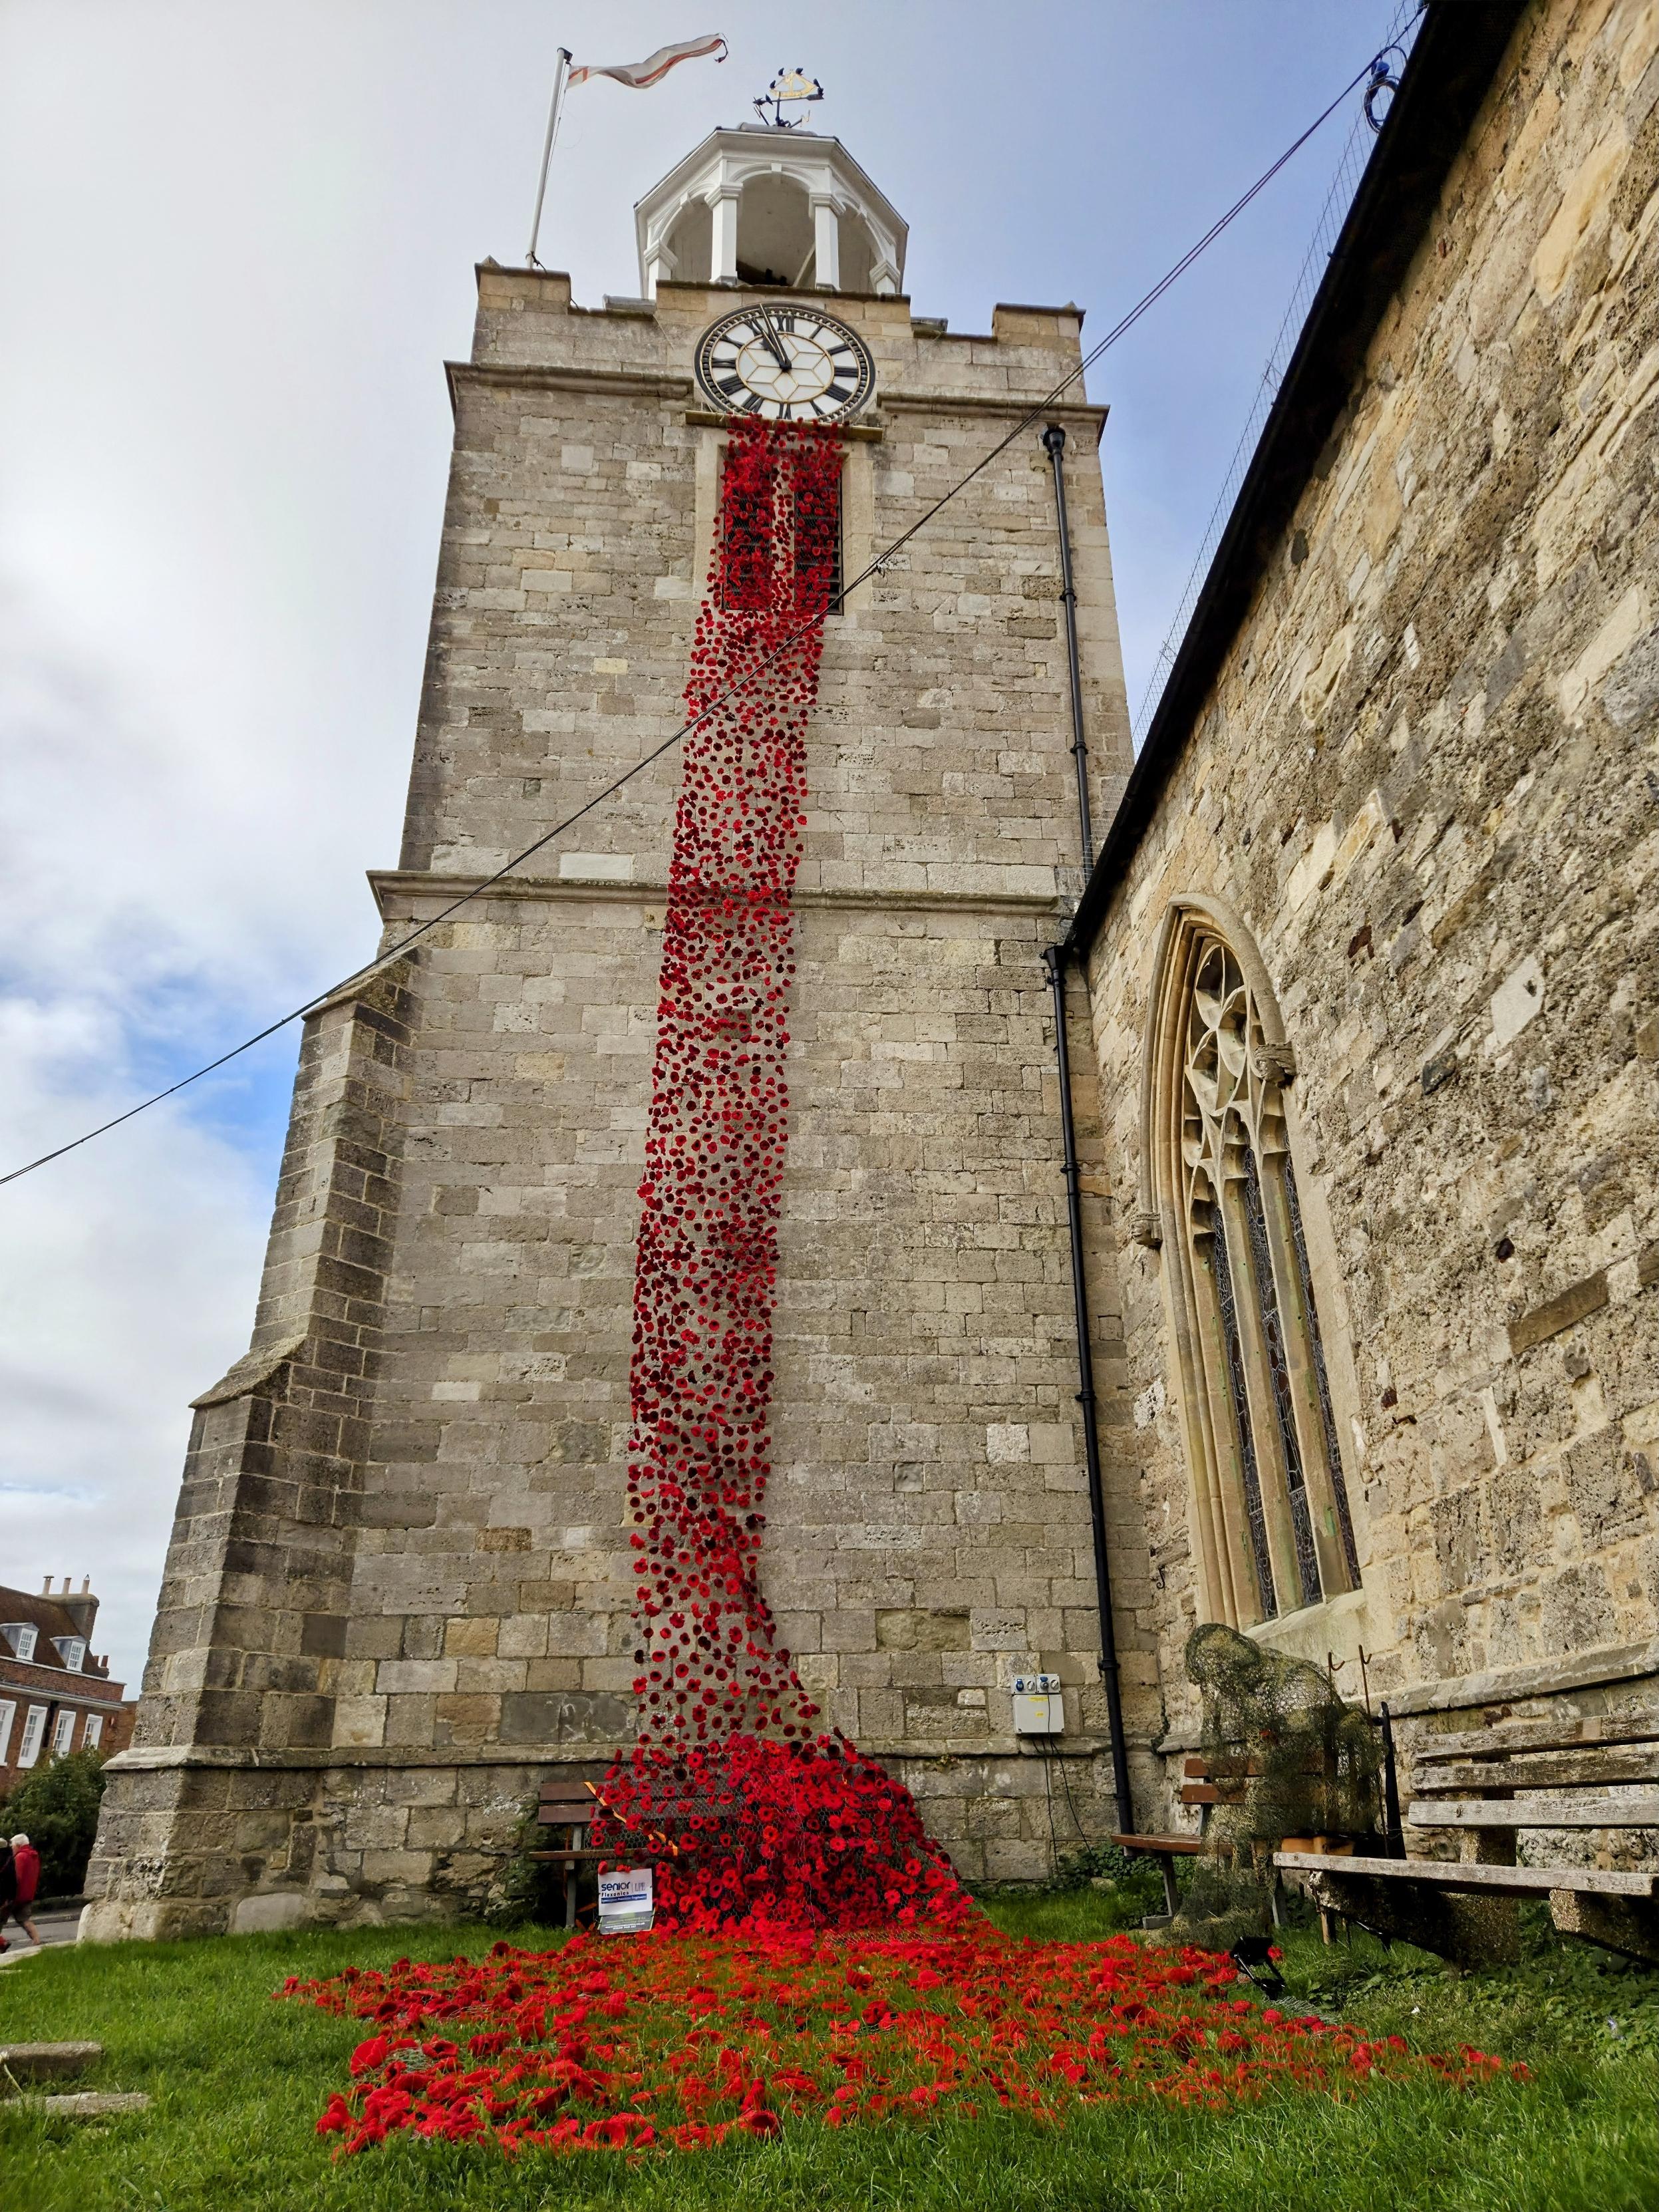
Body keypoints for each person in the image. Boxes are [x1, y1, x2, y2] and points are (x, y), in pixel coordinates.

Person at [1, 1833, 39, 1949]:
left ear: (18, 1845)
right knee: (25, 1920)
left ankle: (2, 1945)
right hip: (28, 1894)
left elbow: (16, 1877)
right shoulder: (34, 1856)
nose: (12, 1847)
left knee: (1, 1919)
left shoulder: (20, 1857)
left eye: (13, 1845)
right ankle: (37, 1942)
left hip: (16, 1896)